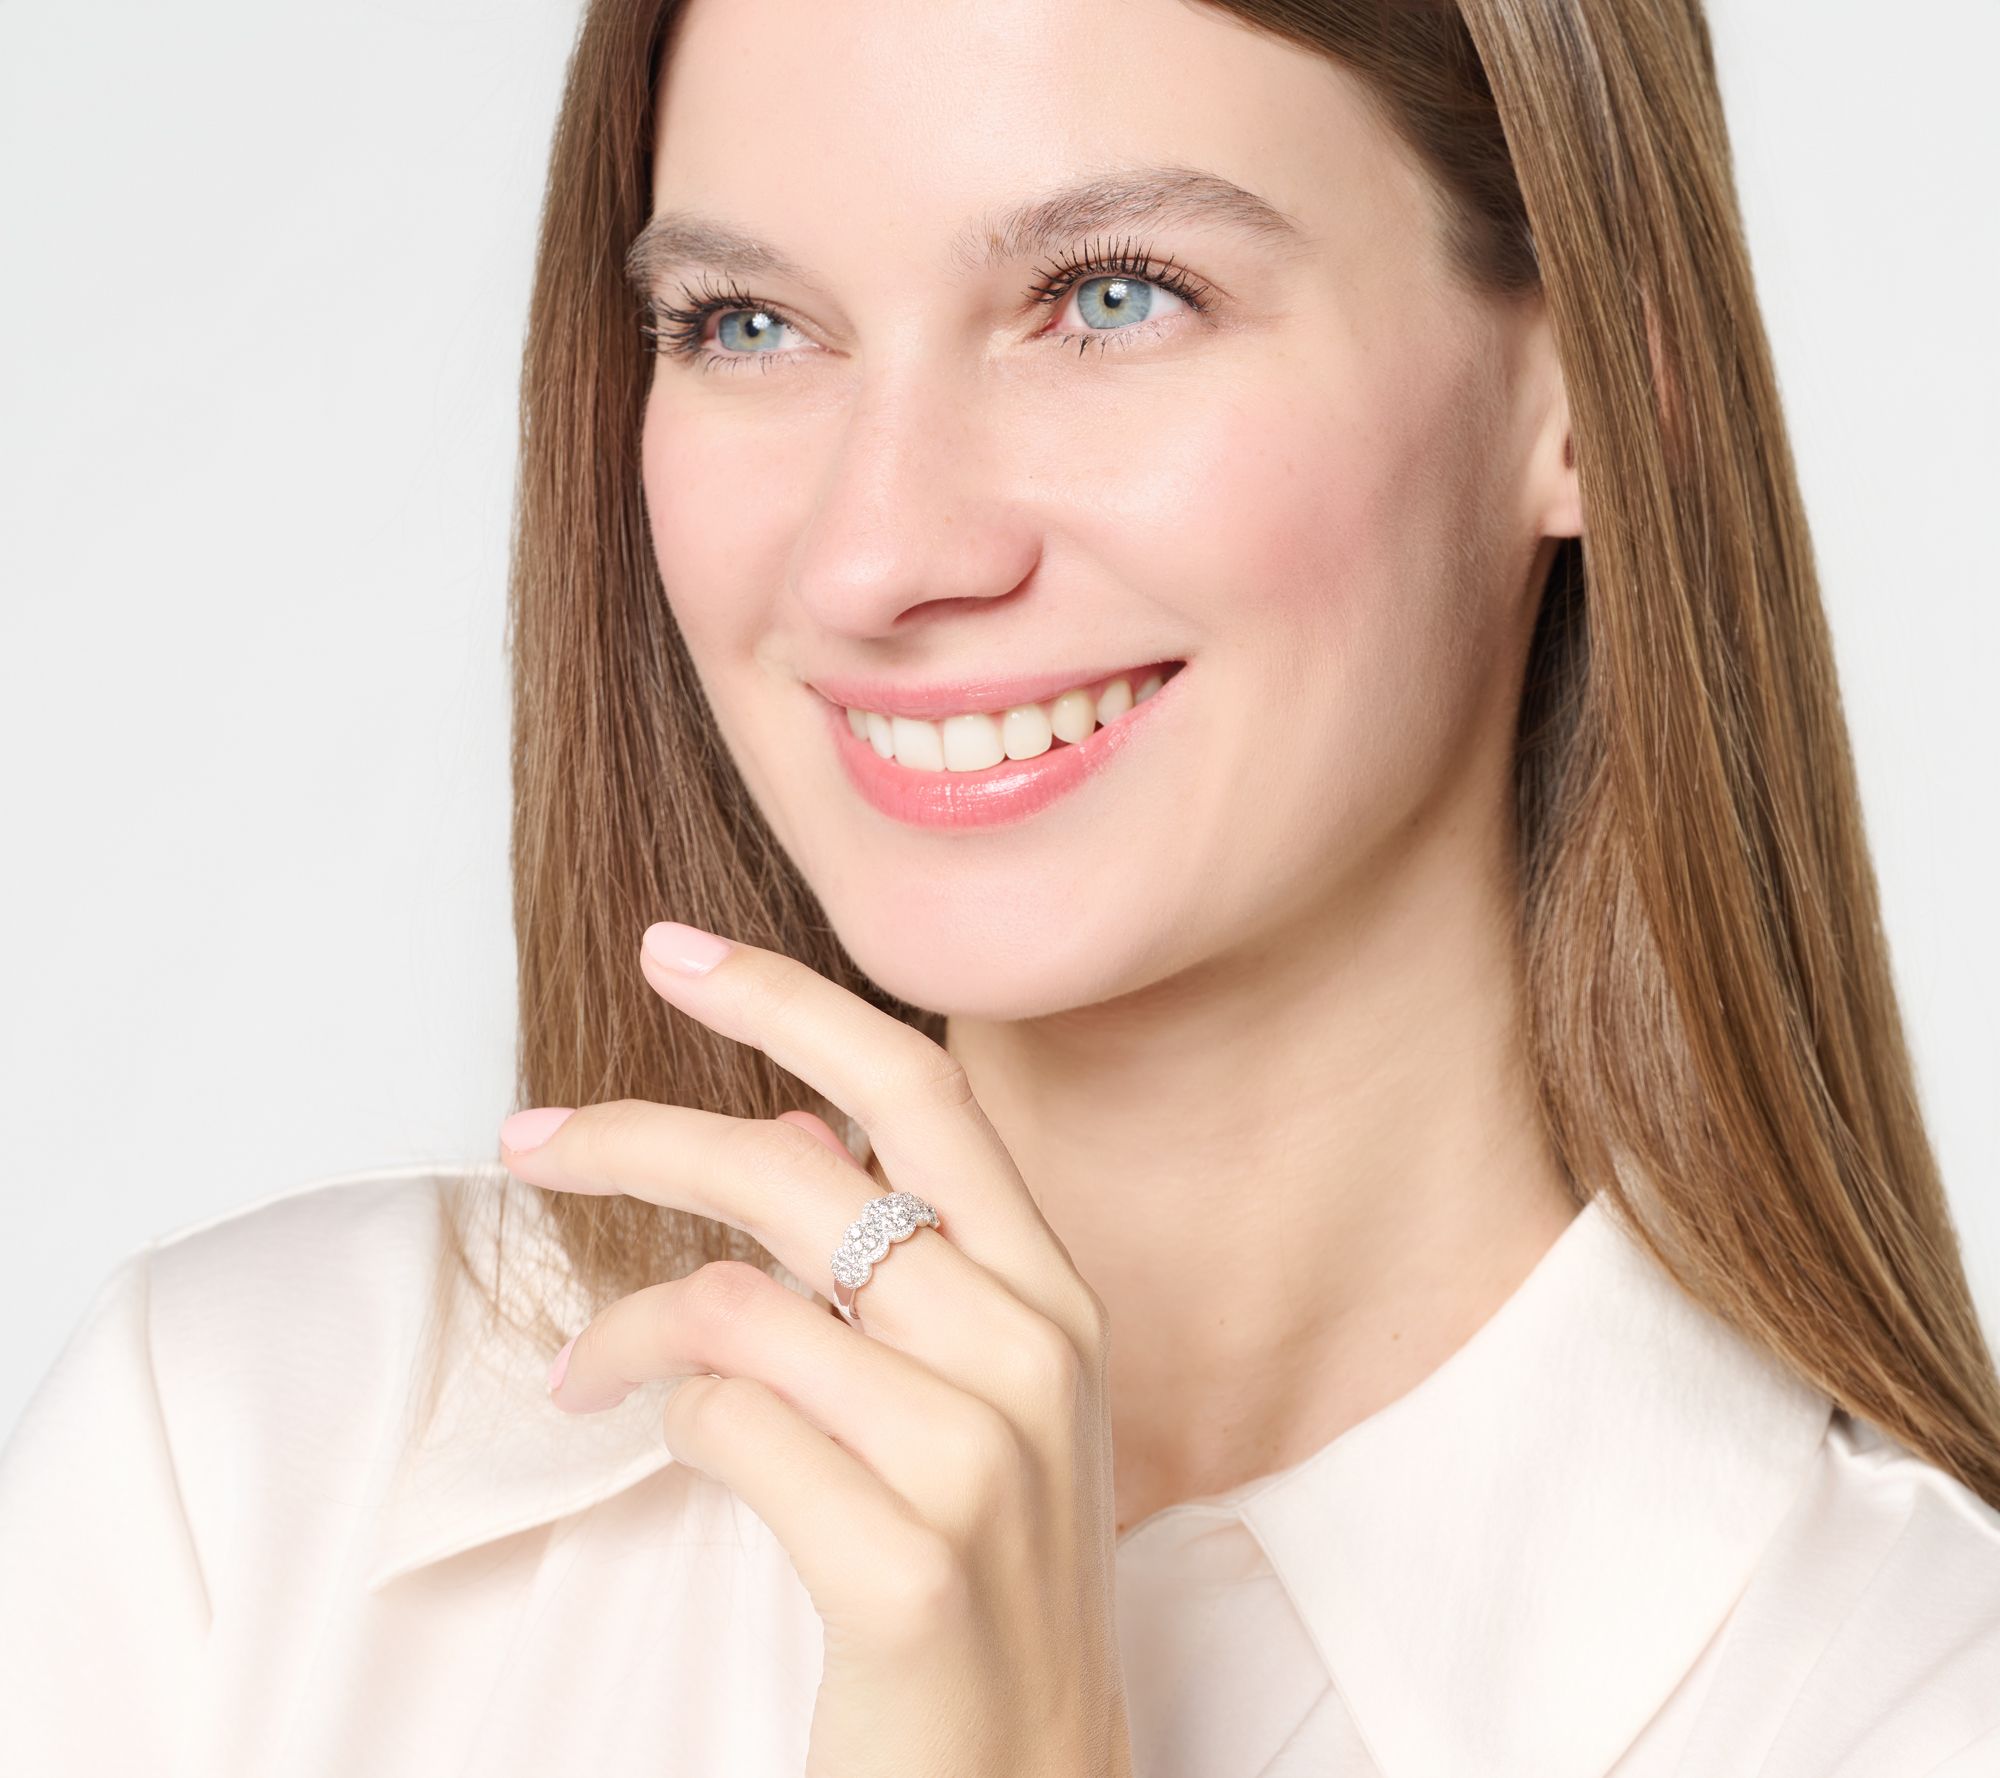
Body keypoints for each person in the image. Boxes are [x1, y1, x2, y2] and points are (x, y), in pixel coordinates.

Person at [4, 0, 1998, 1772]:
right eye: (746, 324)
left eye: (1113, 296)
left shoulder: (1914, 1705)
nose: (875, 555)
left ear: (1593, 395)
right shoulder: (247, 1481)